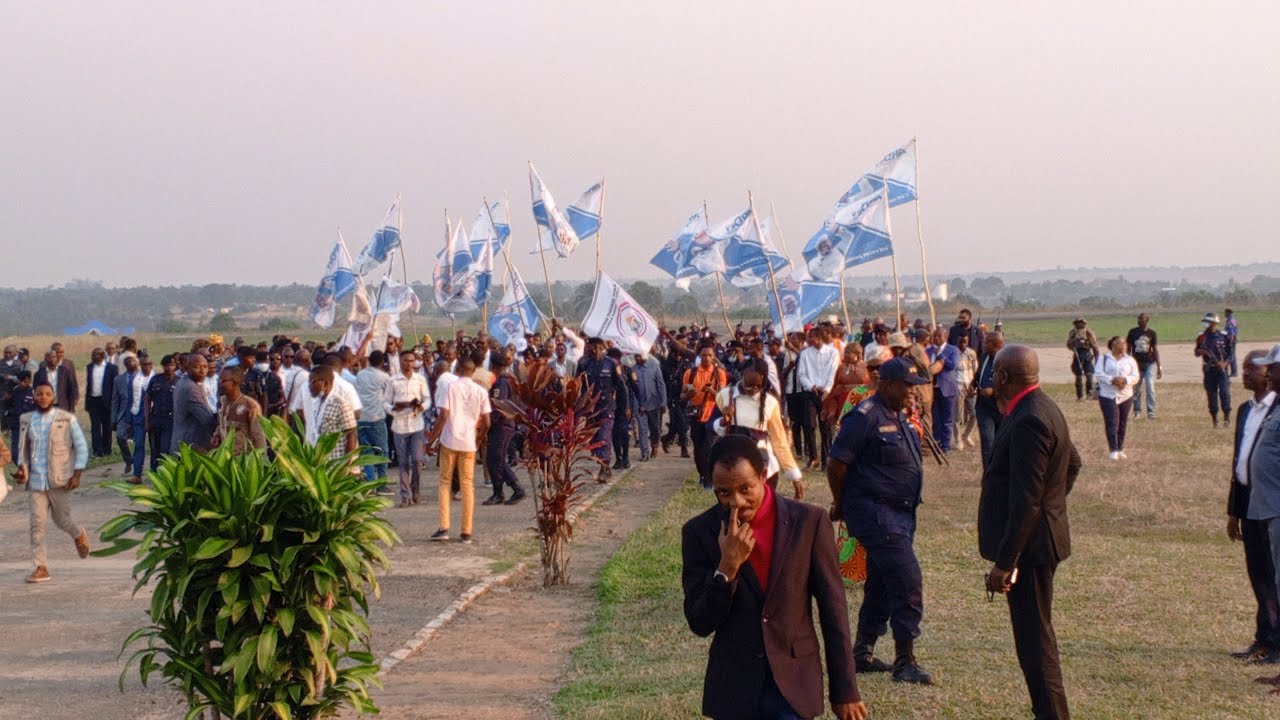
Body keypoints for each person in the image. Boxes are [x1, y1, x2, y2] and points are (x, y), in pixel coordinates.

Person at [681, 434, 868, 720]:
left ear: (764, 476)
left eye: (745, 489)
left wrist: (845, 691)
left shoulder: (809, 522)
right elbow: (699, 622)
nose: (736, 502)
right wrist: (726, 569)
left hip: (794, 683)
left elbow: (834, 610)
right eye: (723, 493)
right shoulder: (699, 532)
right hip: (735, 688)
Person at [979, 345, 1081, 720]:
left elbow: (1027, 500)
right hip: (1037, 540)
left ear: (1004, 376)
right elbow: (1072, 463)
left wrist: (1006, 562)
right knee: (1034, 639)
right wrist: (1051, 506)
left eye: (995, 372)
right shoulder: (1042, 406)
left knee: (1036, 644)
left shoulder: (1030, 419)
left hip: (1031, 550)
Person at [826, 357, 935, 685]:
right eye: (907, 386)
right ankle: (905, 661)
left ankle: (862, 652)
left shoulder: (899, 414)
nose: (913, 392)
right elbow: (837, 463)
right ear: (887, 385)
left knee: (882, 583)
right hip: (876, 513)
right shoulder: (865, 416)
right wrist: (841, 503)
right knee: (906, 580)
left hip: (901, 514)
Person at [1228, 349, 1280, 663]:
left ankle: (1275, 641)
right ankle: (1264, 637)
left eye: (1254, 368)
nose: (1246, 373)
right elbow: (1240, 461)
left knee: (1274, 573)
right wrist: (1233, 511)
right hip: (1248, 501)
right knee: (1258, 571)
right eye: (1245, 367)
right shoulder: (1245, 410)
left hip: (1271, 501)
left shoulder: (1277, 408)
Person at [13, 382, 92, 583]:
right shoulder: (26, 419)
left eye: (47, 394)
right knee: (36, 524)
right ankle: (41, 567)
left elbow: (81, 448)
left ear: (53, 396)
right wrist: (22, 469)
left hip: (60, 480)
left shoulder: (66, 419)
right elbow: (23, 449)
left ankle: (78, 535)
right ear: (34, 396)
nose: (43, 397)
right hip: (36, 482)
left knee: (61, 520)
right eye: (39, 394)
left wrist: (77, 475)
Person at [426, 357, 491, 544]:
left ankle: (444, 527)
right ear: (473, 371)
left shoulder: (450, 387)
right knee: (467, 484)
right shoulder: (480, 391)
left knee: (445, 482)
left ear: (458, 369)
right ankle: (466, 531)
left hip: (449, 440)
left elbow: (443, 415)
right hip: (469, 442)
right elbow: (487, 422)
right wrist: (478, 438)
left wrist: (431, 439)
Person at [714, 367, 804, 499]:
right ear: (742, 377)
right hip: (733, 461)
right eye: (749, 385)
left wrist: (794, 475)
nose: (753, 390)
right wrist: (724, 421)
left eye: (757, 386)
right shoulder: (724, 396)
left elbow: (779, 441)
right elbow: (712, 426)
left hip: (763, 462)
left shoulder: (770, 403)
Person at [575, 337, 629, 480]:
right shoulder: (585, 364)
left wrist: (626, 407)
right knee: (594, 441)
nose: (591, 350)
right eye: (589, 347)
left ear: (600, 347)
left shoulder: (611, 363)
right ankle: (602, 462)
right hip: (591, 410)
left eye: (594, 347)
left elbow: (622, 388)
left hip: (607, 408)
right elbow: (577, 385)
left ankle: (604, 467)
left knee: (604, 437)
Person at [384, 350, 431, 506]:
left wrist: (422, 407)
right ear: (400, 361)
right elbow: (385, 402)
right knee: (403, 462)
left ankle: (415, 489)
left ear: (414, 362)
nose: (408, 364)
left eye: (411, 360)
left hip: (416, 424)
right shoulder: (393, 380)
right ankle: (405, 495)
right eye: (405, 360)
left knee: (417, 460)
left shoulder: (420, 379)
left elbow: (427, 399)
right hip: (400, 426)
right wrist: (394, 409)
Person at [482, 350, 526, 506]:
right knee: (493, 459)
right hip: (501, 424)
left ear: (493, 365)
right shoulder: (501, 380)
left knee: (497, 459)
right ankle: (500, 491)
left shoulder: (501, 381)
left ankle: (513, 489)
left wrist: (489, 423)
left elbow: (498, 405)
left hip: (501, 425)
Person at [684, 344, 728, 489]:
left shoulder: (719, 373)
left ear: (714, 357)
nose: (707, 358)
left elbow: (722, 396)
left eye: (710, 355)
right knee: (698, 448)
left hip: (713, 415)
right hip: (696, 415)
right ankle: (702, 475)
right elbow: (683, 394)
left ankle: (709, 478)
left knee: (709, 448)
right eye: (704, 355)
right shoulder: (691, 373)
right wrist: (689, 394)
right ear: (699, 356)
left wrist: (712, 392)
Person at [797, 326, 840, 470]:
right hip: (810, 392)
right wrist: (811, 386)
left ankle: (826, 460)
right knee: (809, 425)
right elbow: (801, 374)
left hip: (826, 393)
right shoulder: (805, 354)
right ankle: (813, 457)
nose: (809, 339)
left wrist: (827, 389)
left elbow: (833, 372)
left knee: (825, 428)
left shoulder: (833, 352)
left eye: (812, 337)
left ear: (819, 338)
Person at [1094, 337, 1140, 461]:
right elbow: (1098, 373)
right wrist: (1113, 380)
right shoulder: (1103, 358)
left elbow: (1135, 376)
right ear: (1112, 345)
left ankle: (1120, 448)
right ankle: (1113, 449)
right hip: (1108, 395)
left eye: (1124, 343)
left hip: (1126, 395)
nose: (1122, 345)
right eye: (1119, 343)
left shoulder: (1130, 360)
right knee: (1112, 422)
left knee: (1122, 422)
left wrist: (1125, 380)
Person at [306, 366, 358, 461]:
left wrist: (345, 463)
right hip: (323, 462)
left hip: (337, 463)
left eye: (313, 382)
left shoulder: (341, 404)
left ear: (325, 383)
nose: (309, 386)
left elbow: (351, 435)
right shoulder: (317, 403)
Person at [355, 350, 392, 485]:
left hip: (361, 417)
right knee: (382, 451)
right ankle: (382, 483)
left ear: (369, 361)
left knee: (366, 452)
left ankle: (369, 483)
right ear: (382, 362)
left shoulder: (360, 374)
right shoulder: (384, 377)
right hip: (377, 417)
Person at [172, 353, 217, 452]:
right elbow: (207, 420)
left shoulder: (183, 382)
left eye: (205, 367)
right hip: (191, 445)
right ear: (187, 368)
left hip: (183, 441)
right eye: (196, 367)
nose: (202, 371)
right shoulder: (191, 388)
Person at [1196, 312, 1233, 428]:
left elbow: (1230, 353)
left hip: (1221, 370)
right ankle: (1214, 419)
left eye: (1208, 322)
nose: (1206, 324)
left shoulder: (1224, 336)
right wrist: (1203, 352)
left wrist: (1225, 363)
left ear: (1214, 323)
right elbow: (1196, 352)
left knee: (1225, 393)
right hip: (1209, 370)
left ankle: (1226, 417)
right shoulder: (1201, 337)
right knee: (1211, 395)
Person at [927, 328, 960, 454]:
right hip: (932, 389)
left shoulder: (953, 350)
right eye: (934, 336)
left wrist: (940, 355)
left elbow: (952, 365)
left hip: (947, 389)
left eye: (939, 336)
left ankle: (946, 446)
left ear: (945, 337)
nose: (936, 338)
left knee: (947, 419)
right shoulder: (928, 350)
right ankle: (937, 443)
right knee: (936, 418)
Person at [975, 332, 1005, 469]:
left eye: (986, 342)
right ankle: (988, 474)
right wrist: (973, 384)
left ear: (995, 344)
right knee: (987, 441)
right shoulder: (984, 357)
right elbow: (979, 375)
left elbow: (1011, 383)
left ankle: (1001, 472)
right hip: (984, 407)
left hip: (1001, 407)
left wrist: (993, 390)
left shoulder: (1007, 359)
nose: (983, 344)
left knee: (1002, 442)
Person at [143, 354, 177, 468]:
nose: (169, 368)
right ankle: (154, 473)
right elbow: (147, 399)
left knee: (165, 449)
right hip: (155, 419)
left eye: (172, 365)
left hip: (171, 420)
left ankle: (164, 473)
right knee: (154, 450)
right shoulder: (155, 379)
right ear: (163, 366)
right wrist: (146, 421)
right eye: (167, 365)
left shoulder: (179, 381)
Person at [1126, 313, 1161, 420]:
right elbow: (1128, 349)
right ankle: (1137, 411)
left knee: (1150, 387)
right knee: (1136, 388)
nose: (1139, 320)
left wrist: (1159, 366)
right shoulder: (1133, 332)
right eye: (1138, 319)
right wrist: (1126, 363)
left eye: (1142, 319)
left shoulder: (1152, 333)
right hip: (1136, 364)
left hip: (1149, 363)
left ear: (1147, 320)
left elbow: (1155, 349)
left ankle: (1151, 412)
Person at [632, 352, 666, 462]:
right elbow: (632, 389)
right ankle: (644, 453)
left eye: (639, 356)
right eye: (635, 356)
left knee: (655, 428)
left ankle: (655, 446)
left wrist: (663, 402)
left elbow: (661, 385)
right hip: (639, 405)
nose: (637, 358)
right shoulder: (633, 369)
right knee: (642, 429)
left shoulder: (654, 366)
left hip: (653, 404)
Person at [84, 347, 118, 457]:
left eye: (96, 355)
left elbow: (115, 386)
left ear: (102, 356)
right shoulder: (89, 367)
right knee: (95, 427)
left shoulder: (112, 368)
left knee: (107, 426)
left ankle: (107, 449)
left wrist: (114, 403)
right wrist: (87, 402)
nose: (93, 357)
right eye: (92, 355)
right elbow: (89, 385)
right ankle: (97, 450)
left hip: (106, 401)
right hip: (93, 401)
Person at [955, 334, 979, 450]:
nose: (963, 344)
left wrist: (974, 385)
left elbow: (976, 370)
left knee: (974, 413)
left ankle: (967, 435)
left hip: (970, 386)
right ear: (957, 341)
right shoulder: (954, 353)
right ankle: (958, 439)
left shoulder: (971, 353)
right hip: (958, 386)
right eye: (961, 342)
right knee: (958, 415)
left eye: (965, 342)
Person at [1065, 317, 1098, 401]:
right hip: (1077, 355)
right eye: (1077, 322)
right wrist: (1072, 343)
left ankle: (1090, 394)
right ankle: (1080, 396)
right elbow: (1068, 344)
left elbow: (1094, 346)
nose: (1079, 324)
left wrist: (1097, 358)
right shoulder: (1072, 333)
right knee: (1079, 376)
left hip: (1087, 355)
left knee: (1089, 375)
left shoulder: (1088, 333)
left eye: (1081, 322)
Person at [1226, 308, 1240, 377]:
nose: (1225, 314)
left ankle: (1234, 372)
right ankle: (1234, 372)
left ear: (1228, 313)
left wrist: (1230, 341)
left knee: (1231, 355)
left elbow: (1231, 332)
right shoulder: (1233, 319)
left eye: (1225, 313)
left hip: (1231, 339)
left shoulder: (1230, 321)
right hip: (1234, 338)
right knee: (1232, 355)